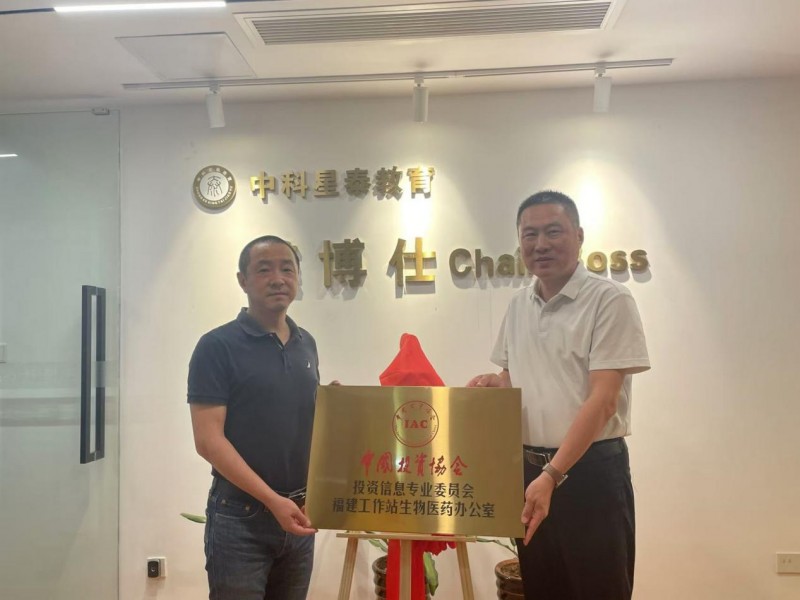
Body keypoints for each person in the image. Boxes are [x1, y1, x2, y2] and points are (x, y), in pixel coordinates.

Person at [468, 191, 650, 600]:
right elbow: (516, 377)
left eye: (553, 231)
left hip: (588, 475)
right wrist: (495, 384)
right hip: (530, 472)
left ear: (579, 236)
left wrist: (553, 474)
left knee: (599, 590)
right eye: (529, 234)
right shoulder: (519, 305)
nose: (540, 244)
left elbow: (603, 400)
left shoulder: (609, 299)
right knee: (543, 588)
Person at [188, 235, 320, 600]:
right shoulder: (217, 346)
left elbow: (300, 422)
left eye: (287, 269)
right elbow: (208, 441)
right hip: (240, 518)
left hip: (298, 513)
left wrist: (333, 405)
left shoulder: (306, 343)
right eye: (264, 270)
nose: (278, 279)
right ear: (242, 280)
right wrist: (273, 501)